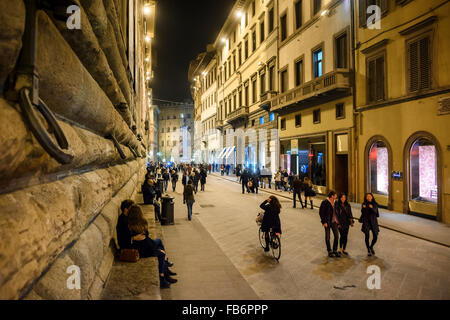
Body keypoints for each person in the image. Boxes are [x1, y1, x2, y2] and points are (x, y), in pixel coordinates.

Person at [127, 205, 177, 289]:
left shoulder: (133, 224)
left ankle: (165, 271)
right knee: (161, 254)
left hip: (146, 245)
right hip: (143, 249)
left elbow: (146, 237)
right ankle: (162, 278)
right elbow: (145, 240)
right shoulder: (138, 223)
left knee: (159, 242)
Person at [319, 191, 340, 258]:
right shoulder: (325, 202)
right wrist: (324, 222)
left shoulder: (336, 202)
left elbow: (337, 212)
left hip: (334, 222)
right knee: (328, 237)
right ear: (332, 196)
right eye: (335, 195)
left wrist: (338, 221)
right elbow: (321, 213)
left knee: (336, 236)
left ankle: (335, 250)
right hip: (327, 222)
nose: (336, 196)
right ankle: (329, 251)